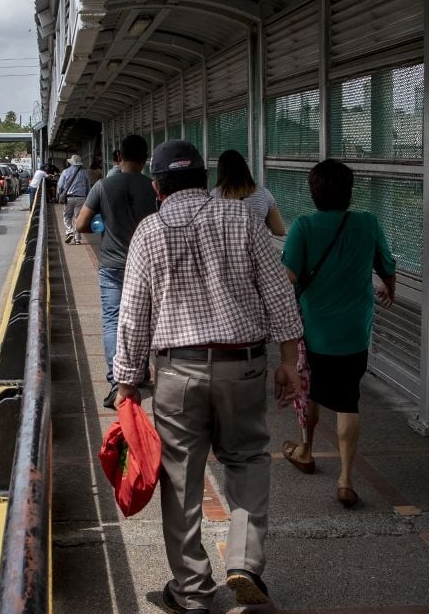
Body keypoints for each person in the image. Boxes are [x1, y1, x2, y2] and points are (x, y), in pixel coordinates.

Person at [112, 140, 303, 612]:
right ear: (204, 178)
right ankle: (243, 561)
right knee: (248, 461)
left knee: (181, 479)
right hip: (244, 364)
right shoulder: (243, 219)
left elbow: (133, 314)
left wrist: (126, 381)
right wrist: (288, 360)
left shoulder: (150, 232)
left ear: (157, 187)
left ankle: (193, 592)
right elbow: (279, 293)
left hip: (178, 371)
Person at [280, 158, 396, 509]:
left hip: (314, 328)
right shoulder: (368, 223)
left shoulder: (303, 226)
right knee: (348, 397)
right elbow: (387, 265)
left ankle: (306, 450)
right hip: (354, 330)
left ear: (313, 193)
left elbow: (288, 278)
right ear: (350, 191)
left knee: (310, 390)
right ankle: (346, 479)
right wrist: (390, 289)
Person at [74, 135, 157, 408]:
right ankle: (141, 373)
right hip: (145, 265)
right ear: (145, 159)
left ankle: (115, 380)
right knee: (142, 320)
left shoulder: (102, 186)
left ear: (118, 156)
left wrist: (103, 227)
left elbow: (81, 224)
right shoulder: (154, 187)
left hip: (111, 265)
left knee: (113, 321)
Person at [210, 149, 286, 236]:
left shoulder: (213, 197)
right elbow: (280, 230)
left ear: (221, 172)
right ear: (245, 169)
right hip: (259, 248)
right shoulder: (264, 194)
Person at [56, 154, 90, 244]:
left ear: (71, 162)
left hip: (69, 198)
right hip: (81, 198)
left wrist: (60, 195)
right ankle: (77, 239)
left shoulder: (65, 172)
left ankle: (69, 231)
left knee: (67, 216)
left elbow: (60, 185)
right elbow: (88, 187)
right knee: (78, 218)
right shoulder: (84, 172)